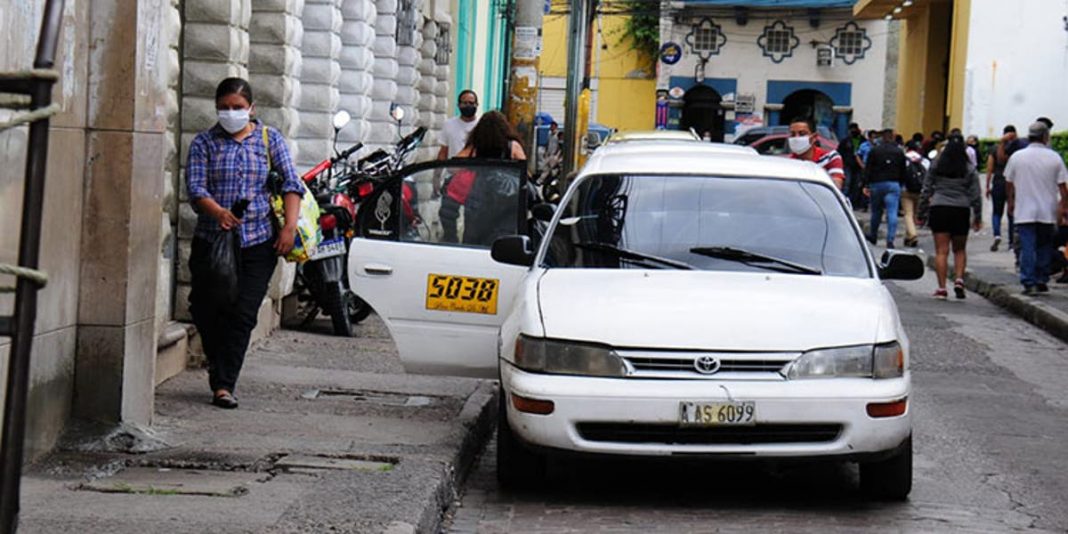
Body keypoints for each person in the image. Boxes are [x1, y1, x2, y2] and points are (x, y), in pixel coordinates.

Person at [186, 78, 304, 409]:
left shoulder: (269, 140)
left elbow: (292, 184)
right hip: (213, 241)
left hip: (258, 241)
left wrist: (289, 228)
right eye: (224, 107)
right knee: (208, 309)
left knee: (243, 313)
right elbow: (196, 189)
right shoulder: (204, 143)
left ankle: (223, 384)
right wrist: (217, 212)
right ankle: (218, 363)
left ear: (251, 108)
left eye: (237, 107)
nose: (230, 113)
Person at [440, 111, 527, 244]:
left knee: (474, 241)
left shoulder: (475, 148)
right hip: (508, 203)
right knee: (505, 241)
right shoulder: (513, 146)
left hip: (479, 201)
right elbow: (524, 172)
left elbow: (454, 166)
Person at [1005, 121, 1068, 296]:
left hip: (1024, 209)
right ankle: (1041, 279)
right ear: (1045, 137)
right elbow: (1063, 187)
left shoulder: (1017, 157)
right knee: (1044, 246)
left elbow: (1008, 183)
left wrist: (1010, 202)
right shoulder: (1054, 157)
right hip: (1047, 210)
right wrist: (1064, 208)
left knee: (1027, 246)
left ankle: (1028, 281)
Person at [918, 135, 983, 299]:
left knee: (941, 251)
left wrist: (922, 212)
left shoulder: (937, 164)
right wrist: (978, 216)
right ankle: (959, 279)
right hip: (961, 209)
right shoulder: (968, 168)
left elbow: (926, 189)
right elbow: (976, 194)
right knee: (960, 249)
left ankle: (941, 287)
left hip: (939, 207)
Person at [862, 128, 908, 248]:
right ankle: (890, 239)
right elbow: (903, 170)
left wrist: (866, 184)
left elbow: (868, 168)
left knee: (876, 211)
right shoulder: (899, 152)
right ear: (892, 137)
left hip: (877, 184)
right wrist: (901, 184)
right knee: (892, 212)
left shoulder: (875, 151)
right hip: (893, 184)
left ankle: (873, 235)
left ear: (882, 137)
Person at [786, 116, 845, 190]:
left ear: (814, 137)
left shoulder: (830, 158)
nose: (796, 138)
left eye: (802, 134)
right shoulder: (788, 163)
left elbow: (836, 187)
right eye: (793, 134)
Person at [986, 125, 1017, 251]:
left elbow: (989, 170)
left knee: (997, 212)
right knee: (1011, 213)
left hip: (998, 182)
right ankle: (1011, 243)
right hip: (1013, 183)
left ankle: (997, 234)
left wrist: (987, 186)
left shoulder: (994, 149)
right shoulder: (1016, 149)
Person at [901, 140, 929, 247]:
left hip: (906, 190)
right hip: (920, 190)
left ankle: (912, 235)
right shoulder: (923, 160)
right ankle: (908, 237)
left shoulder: (904, 158)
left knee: (908, 214)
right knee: (915, 214)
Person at [437, 89, 480, 161]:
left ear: (477, 105)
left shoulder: (481, 125)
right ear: (458, 105)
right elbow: (443, 152)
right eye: (465, 103)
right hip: (452, 170)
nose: (468, 105)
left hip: (475, 170)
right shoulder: (449, 124)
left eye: (471, 103)